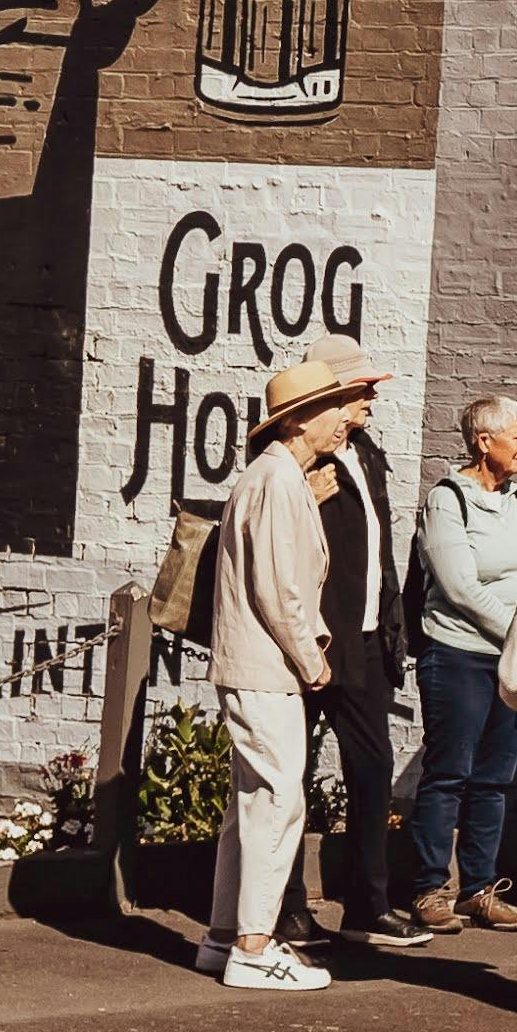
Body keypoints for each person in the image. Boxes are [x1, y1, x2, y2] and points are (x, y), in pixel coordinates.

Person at [201, 352, 384, 994]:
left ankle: (226, 935)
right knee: (279, 798)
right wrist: (314, 660)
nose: (346, 421)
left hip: (256, 664)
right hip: (267, 665)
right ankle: (253, 948)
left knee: (251, 800)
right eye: (336, 408)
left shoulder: (280, 478)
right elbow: (282, 590)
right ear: (303, 417)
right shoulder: (277, 481)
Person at [295, 348, 424, 953]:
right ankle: (285, 910)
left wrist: (393, 626)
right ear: (333, 393)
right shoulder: (300, 460)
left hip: (368, 641)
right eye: (364, 388)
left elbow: (380, 552)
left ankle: (367, 907)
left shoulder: (366, 454)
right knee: (286, 778)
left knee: (371, 772)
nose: (373, 397)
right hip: (315, 642)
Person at [410, 394, 517, 933]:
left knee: (494, 778)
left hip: (511, 663)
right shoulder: (447, 501)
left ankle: (480, 889)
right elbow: (461, 588)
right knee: (449, 774)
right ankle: (427, 890)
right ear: (484, 441)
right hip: (459, 655)